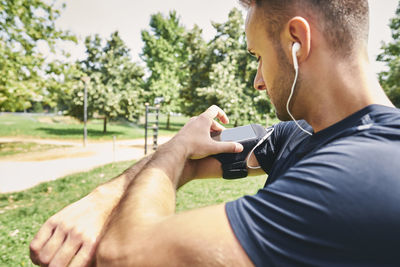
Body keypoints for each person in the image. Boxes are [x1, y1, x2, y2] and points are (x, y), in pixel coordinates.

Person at [30, 0, 400, 266]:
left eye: (258, 56)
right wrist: (101, 198)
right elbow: (194, 159)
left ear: (297, 41)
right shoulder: (300, 134)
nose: (258, 81)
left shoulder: (365, 173)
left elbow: (126, 254)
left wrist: (171, 151)